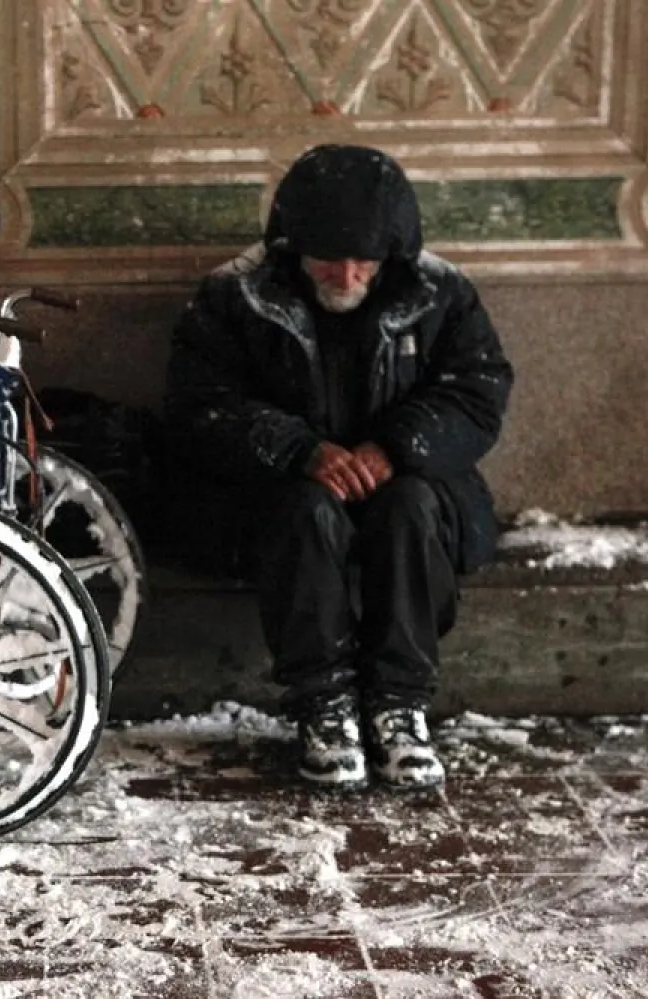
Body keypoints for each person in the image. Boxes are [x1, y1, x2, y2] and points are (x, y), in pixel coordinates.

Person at [165, 144, 513, 791]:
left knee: (408, 507)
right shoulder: (235, 296)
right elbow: (198, 404)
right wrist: (299, 450)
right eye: (330, 257)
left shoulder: (441, 294)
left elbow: (477, 392)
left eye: (365, 260)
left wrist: (394, 449)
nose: (348, 275)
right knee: (304, 510)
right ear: (293, 247)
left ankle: (398, 704)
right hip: (280, 489)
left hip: (410, 482)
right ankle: (323, 705)